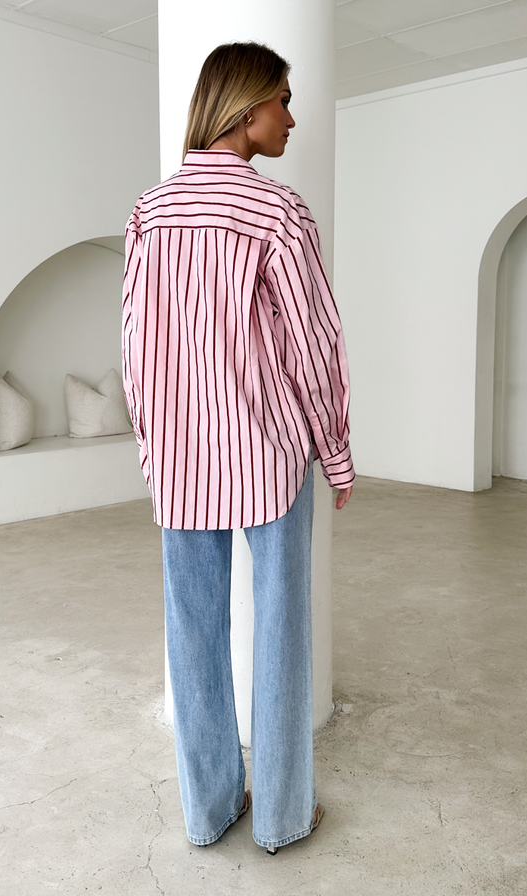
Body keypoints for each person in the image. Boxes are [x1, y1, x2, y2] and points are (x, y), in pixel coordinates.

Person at [122, 41, 354, 856]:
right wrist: (336, 451)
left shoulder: (151, 211)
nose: (291, 117)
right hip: (269, 455)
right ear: (247, 107)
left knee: (191, 636)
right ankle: (284, 816)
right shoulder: (276, 212)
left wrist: (154, 447)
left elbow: (136, 346)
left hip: (182, 461)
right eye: (283, 99)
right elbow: (313, 346)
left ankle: (208, 810)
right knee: (282, 631)